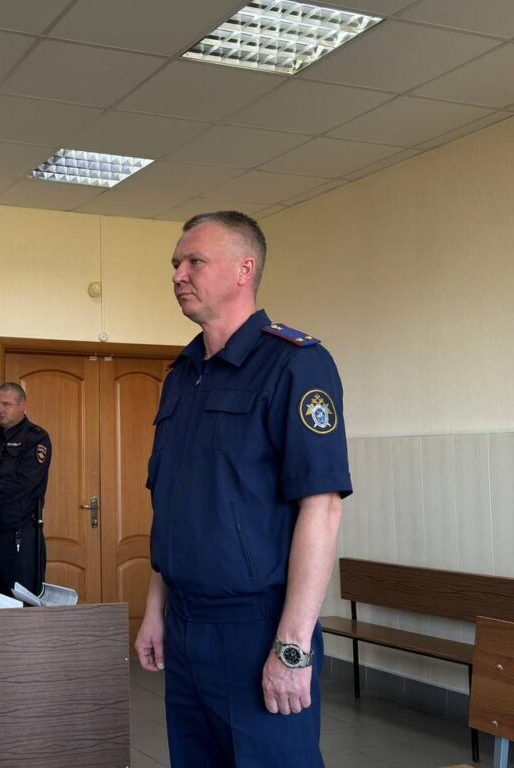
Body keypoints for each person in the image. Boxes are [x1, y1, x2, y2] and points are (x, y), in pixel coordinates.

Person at [135, 211, 352, 768]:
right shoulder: (181, 376)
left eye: (194, 261)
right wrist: (156, 610)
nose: (179, 274)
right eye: (176, 263)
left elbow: (322, 508)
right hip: (185, 623)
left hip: (256, 626)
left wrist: (292, 647)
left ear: (243, 270)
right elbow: (172, 507)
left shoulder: (296, 365)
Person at [0, 382, 51, 597]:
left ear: (22, 405)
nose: (0, 409)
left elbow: (22, 483)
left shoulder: (36, 439)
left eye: (7, 404)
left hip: (18, 536)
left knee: (21, 602)